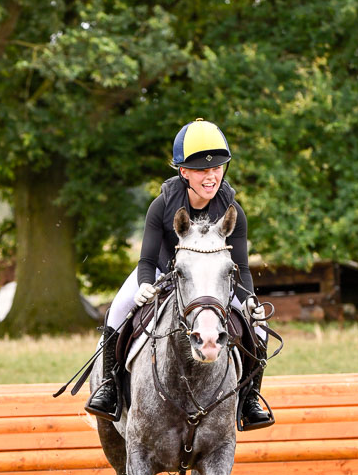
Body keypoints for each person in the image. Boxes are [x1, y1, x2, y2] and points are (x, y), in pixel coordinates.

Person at [85, 118, 270, 428]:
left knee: (260, 326)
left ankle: (250, 397)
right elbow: (146, 259)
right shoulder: (162, 205)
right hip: (161, 272)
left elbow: (240, 267)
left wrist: (250, 300)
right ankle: (110, 388)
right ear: (184, 172)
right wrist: (145, 285)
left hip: (211, 281)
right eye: (201, 170)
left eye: (217, 168)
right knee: (117, 310)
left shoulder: (232, 211)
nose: (211, 176)